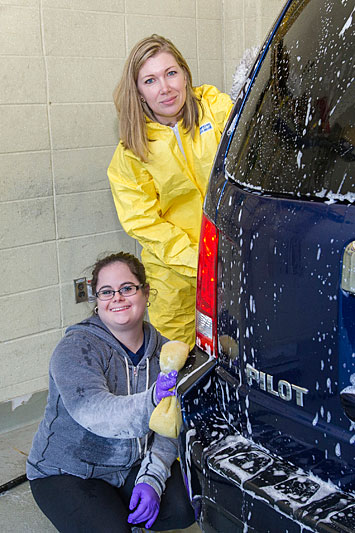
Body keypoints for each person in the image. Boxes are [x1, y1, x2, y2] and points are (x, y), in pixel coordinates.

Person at [26, 252, 195, 533]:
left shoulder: (165, 354)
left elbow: (169, 427)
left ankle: (119, 506)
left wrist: (151, 478)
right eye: (106, 292)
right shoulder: (76, 348)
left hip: (130, 464)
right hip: (69, 471)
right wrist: (151, 400)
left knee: (185, 506)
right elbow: (95, 412)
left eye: (127, 288)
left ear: (146, 292)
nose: (117, 298)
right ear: (97, 301)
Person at [108, 34, 233, 349]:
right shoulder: (131, 154)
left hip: (233, 260)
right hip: (175, 277)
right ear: (138, 92)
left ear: (186, 75)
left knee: (236, 353)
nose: (164, 87)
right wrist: (200, 260)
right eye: (150, 80)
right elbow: (145, 223)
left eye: (171, 73)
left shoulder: (215, 109)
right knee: (178, 363)